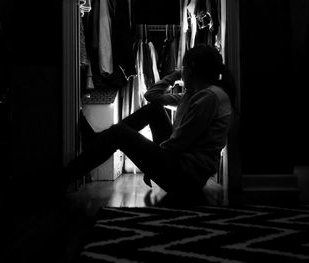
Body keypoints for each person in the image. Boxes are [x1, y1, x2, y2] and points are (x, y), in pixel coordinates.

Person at [64, 43, 235, 204]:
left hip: (186, 176)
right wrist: (174, 76)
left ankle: (62, 179)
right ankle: (96, 140)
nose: (181, 72)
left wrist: (151, 161)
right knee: (154, 110)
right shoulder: (195, 95)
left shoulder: (208, 97)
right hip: (182, 164)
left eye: (183, 68)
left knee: (119, 133)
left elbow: (181, 141)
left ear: (191, 69)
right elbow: (151, 96)